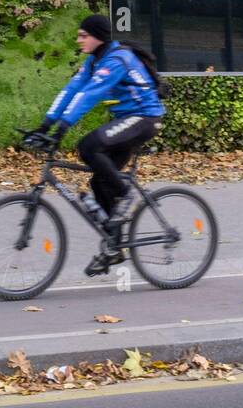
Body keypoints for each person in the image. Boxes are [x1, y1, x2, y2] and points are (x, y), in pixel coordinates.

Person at [25, 15, 165, 276]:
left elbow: (90, 95)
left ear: (97, 36)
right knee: (100, 182)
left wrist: (63, 128)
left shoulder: (116, 60)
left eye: (83, 35)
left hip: (145, 118)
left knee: (89, 147)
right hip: (127, 119)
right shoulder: (93, 61)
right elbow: (71, 90)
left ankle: (126, 194)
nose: (78, 40)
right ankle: (114, 247)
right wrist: (45, 127)